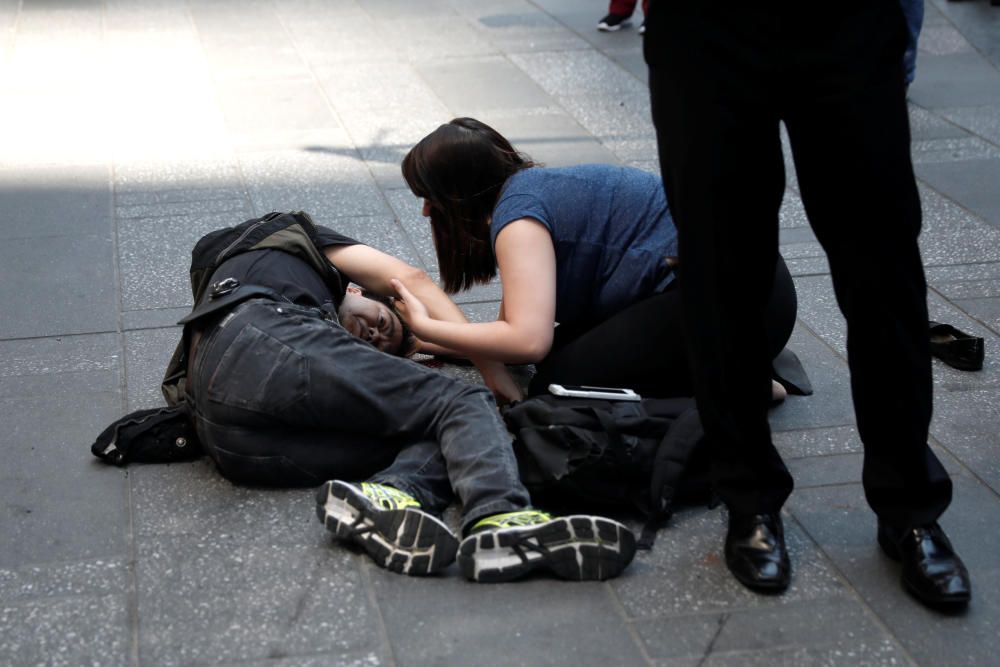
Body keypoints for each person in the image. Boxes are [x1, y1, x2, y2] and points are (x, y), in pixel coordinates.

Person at [644, 4, 971, 608]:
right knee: (721, 270)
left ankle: (910, 506)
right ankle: (748, 499)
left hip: (847, 23)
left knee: (884, 268)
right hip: (704, 32)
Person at [182, 213, 637, 582]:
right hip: (258, 336)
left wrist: (431, 347)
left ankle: (390, 495)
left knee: (442, 433)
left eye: (382, 347)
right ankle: (500, 518)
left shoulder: (292, 339)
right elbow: (410, 278)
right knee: (463, 403)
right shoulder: (295, 238)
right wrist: (495, 380)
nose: (378, 334)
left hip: (232, 440)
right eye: (383, 318)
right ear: (357, 291)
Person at [394, 118, 799, 404]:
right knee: (564, 355)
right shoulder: (528, 192)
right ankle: (728, 371)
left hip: (738, 306)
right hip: (753, 285)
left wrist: (425, 324)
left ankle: (741, 387)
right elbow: (512, 335)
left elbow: (528, 342)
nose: (427, 212)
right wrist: (428, 341)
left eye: (431, 198)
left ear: (459, 194)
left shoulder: (518, 221)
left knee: (558, 383)